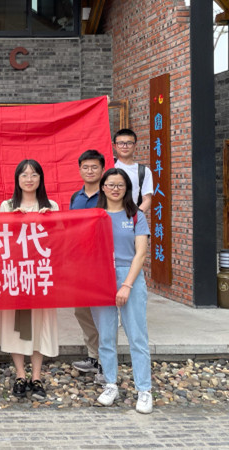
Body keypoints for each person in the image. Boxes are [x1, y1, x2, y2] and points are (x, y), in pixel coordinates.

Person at [0, 159, 59, 401]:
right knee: (18, 326)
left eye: (34, 174)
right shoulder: (7, 206)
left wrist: (50, 220)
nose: (29, 179)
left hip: (42, 275)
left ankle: (37, 376)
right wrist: (12, 220)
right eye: (24, 174)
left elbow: (60, 239)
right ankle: (21, 375)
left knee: (40, 325)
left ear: (41, 178)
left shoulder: (51, 206)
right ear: (17, 179)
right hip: (17, 275)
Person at [91, 168, 153, 414]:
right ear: (102, 187)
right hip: (100, 277)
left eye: (120, 185)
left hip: (130, 276)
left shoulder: (136, 215)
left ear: (127, 188)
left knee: (137, 335)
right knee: (106, 336)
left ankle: (144, 389)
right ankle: (110, 384)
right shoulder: (95, 216)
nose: (115, 189)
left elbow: (141, 253)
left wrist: (126, 285)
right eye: (110, 184)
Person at [69, 150, 107, 385]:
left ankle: (106, 362)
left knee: (103, 314)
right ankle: (93, 356)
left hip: (102, 264)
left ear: (102, 170)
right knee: (82, 312)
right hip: (79, 263)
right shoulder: (76, 197)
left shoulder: (110, 194)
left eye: (94, 167)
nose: (90, 171)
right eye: (86, 167)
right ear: (80, 170)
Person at [113, 129, 153, 213]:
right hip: (108, 216)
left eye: (129, 143)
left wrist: (135, 217)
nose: (125, 146)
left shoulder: (143, 171)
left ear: (135, 145)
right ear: (114, 146)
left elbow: (147, 199)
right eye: (120, 143)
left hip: (131, 216)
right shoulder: (108, 165)